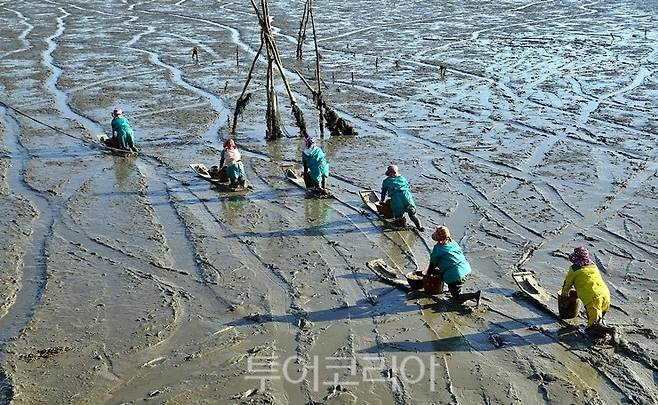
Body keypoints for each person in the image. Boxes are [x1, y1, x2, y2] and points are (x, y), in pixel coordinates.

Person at [561, 246, 615, 339]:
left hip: (593, 299)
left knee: (591, 327)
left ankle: (610, 330)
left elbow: (567, 284)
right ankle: (603, 330)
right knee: (598, 319)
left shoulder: (574, 269)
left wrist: (564, 296)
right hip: (605, 294)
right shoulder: (593, 265)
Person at [425, 226, 481, 305]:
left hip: (455, 275)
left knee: (455, 297)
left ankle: (475, 295)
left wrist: (427, 275)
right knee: (456, 285)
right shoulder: (453, 243)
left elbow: (432, 264)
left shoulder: (438, 249)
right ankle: (457, 290)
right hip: (466, 269)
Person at [379, 165, 424, 231]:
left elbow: (383, 192)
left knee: (398, 215)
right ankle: (420, 227)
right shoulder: (402, 178)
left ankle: (402, 223)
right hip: (407, 197)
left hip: (396, 200)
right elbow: (408, 187)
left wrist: (382, 201)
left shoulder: (386, 181)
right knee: (412, 214)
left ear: (389, 173)